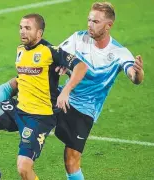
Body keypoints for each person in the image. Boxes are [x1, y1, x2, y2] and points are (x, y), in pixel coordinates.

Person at [0, 13, 87, 180]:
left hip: (39, 117)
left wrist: (66, 90)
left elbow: (81, 66)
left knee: (24, 168)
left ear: (39, 33)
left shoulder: (51, 52)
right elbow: (13, 85)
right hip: (17, 108)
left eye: (28, 28)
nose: (23, 32)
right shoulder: (20, 51)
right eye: (21, 27)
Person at [54, 2, 144, 180]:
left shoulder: (119, 53)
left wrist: (138, 73)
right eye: (89, 20)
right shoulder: (79, 38)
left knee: (71, 160)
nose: (89, 24)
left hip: (85, 110)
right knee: (26, 116)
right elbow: (55, 54)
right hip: (62, 96)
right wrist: (62, 62)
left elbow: (134, 77)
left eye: (95, 21)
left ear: (108, 25)